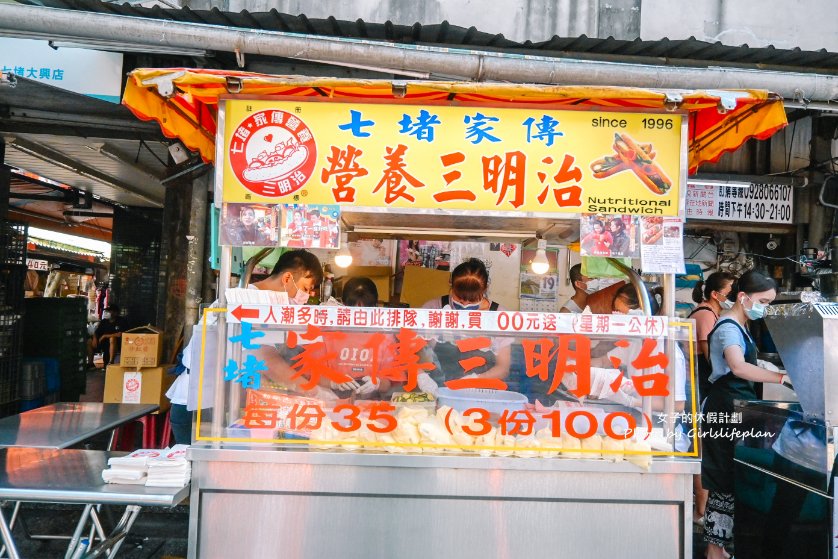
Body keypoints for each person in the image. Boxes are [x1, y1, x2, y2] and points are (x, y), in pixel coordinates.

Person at [166, 249, 325, 445]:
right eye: (305, 288)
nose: (307, 296)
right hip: (198, 407)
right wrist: (313, 390)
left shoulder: (265, 302)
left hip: (221, 403)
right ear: (287, 278)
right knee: (203, 474)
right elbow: (267, 359)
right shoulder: (246, 300)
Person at [701, 270, 789, 559]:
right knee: (724, 478)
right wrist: (779, 378)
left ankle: (720, 547)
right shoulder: (728, 327)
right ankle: (715, 549)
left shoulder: (741, 324)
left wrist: (775, 371)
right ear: (743, 297)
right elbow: (737, 367)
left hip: (737, 404)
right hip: (725, 405)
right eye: (763, 301)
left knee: (731, 477)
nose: (764, 307)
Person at [416, 258, 511, 395]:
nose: (465, 303)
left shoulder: (499, 315)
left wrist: (475, 380)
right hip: (438, 389)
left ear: (485, 290)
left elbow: (503, 367)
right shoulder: (433, 309)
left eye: (472, 299)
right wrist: (421, 375)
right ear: (451, 285)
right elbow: (417, 354)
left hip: (481, 393)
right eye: (459, 297)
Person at [687, 271, 736, 528]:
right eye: (730, 291)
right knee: (702, 448)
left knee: (703, 446)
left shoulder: (713, 314)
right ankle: (701, 511)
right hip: (700, 387)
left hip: (702, 386)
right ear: (716, 294)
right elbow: (711, 359)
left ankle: (702, 509)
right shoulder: (706, 315)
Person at [316, 277, 400, 399]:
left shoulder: (385, 336)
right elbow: (313, 374)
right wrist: (333, 382)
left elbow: (390, 380)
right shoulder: (328, 332)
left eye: (365, 310)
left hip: (371, 404)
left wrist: (377, 383)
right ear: (343, 304)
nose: (360, 317)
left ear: (376, 306)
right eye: (354, 311)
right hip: (332, 400)